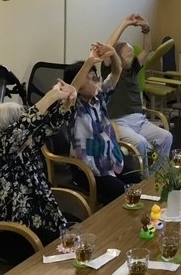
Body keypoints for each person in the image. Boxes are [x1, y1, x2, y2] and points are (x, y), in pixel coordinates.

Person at [0, 79, 78, 264]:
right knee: (67, 251)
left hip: (38, 220)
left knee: (81, 228)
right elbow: (24, 127)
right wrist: (51, 96)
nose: (32, 132)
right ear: (3, 133)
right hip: (14, 233)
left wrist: (68, 102)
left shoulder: (24, 148)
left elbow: (48, 126)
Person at [63, 42, 142, 206]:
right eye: (91, 79)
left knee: (137, 179)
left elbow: (116, 71)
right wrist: (89, 62)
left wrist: (113, 53)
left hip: (109, 160)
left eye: (96, 77)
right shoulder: (71, 107)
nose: (96, 82)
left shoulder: (99, 98)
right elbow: (73, 88)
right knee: (119, 191)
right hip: (87, 169)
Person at [102, 14, 173, 167]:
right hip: (119, 122)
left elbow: (147, 49)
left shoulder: (133, 68)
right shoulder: (112, 71)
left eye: (132, 54)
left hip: (140, 120)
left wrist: (146, 28)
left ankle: (157, 174)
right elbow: (108, 48)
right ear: (117, 57)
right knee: (140, 143)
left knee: (166, 137)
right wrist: (125, 23)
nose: (132, 56)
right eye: (128, 55)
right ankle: (144, 178)